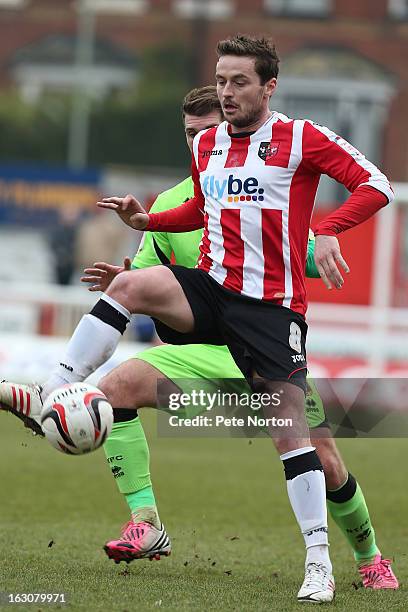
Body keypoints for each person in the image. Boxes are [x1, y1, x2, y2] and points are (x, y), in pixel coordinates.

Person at [0, 35, 395, 602]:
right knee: (131, 284)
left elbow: (375, 184)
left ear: (269, 86)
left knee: (298, 437)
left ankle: (321, 560)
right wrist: (149, 223)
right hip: (212, 290)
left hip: (270, 310)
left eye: (239, 82)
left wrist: (329, 231)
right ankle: (56, 392)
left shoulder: (302, 138)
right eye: (221, 81)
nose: (227, 92)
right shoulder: (208, 143)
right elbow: (202, 210)